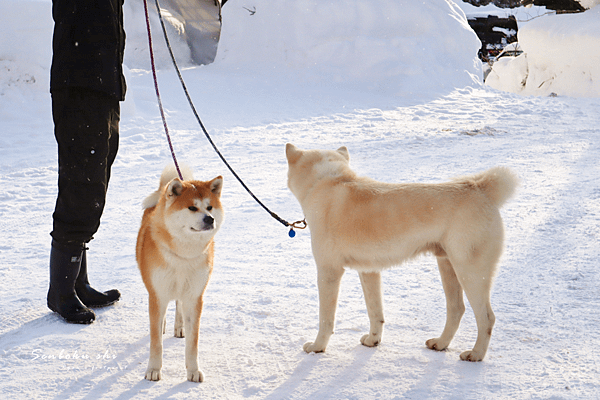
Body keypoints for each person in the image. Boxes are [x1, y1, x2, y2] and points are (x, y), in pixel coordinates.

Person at [47, 0, 126, 324]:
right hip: (79, 83)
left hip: (104, 84)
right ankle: (61, 292)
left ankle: (78, 280)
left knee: (96, 184)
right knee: (81, 184)